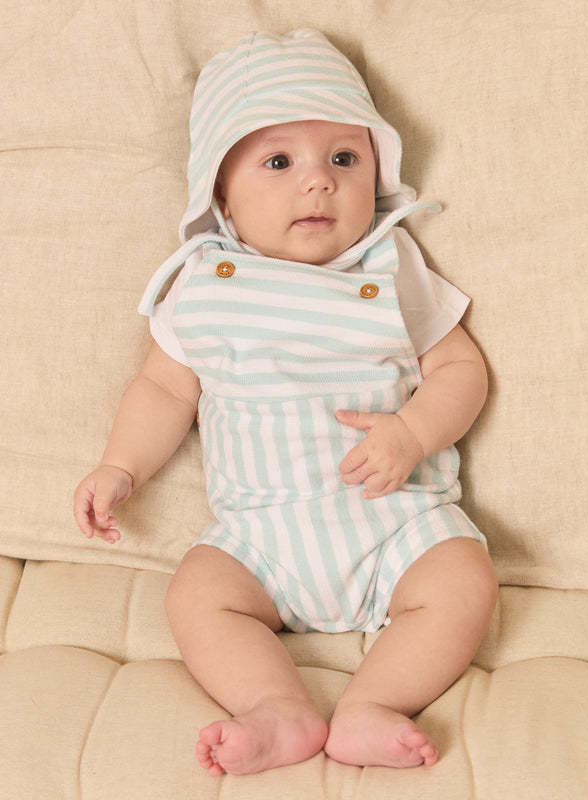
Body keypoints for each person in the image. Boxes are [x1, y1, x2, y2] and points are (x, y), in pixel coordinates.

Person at [73, 29, 498, 775]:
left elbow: (461, 368)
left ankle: (374, 703)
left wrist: (413, 430)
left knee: (464, 578)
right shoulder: (201, 284)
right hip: (260, 538)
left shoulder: (390, 263)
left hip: (398, 523)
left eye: (345, 159)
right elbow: (165, 388)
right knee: (197, 596)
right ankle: (276, 706)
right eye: (279, 162)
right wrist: (120, 466)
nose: (318, 183)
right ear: (220, 193)